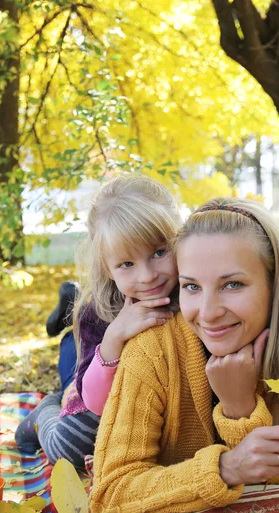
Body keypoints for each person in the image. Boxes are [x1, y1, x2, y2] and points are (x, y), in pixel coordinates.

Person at [90, 198, 279, 513]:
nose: (209, 313)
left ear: (274, 285)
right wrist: (227, 468)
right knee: (64, 434)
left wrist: (239, 408)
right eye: (191, 287)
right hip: (92, 398)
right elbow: (109, 494)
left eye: (232, 285)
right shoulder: (152, 350)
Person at [15, 175, 182, 467]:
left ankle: (71, 306)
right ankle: (45, 409)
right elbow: (93, 399)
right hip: (100, 387)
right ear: (107, 269)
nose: (147, 276)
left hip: (156, 407)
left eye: (159, 252)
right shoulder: (100, 314)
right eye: (127, 264)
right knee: (71, 446)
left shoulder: (195, 289)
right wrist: (114, 338)